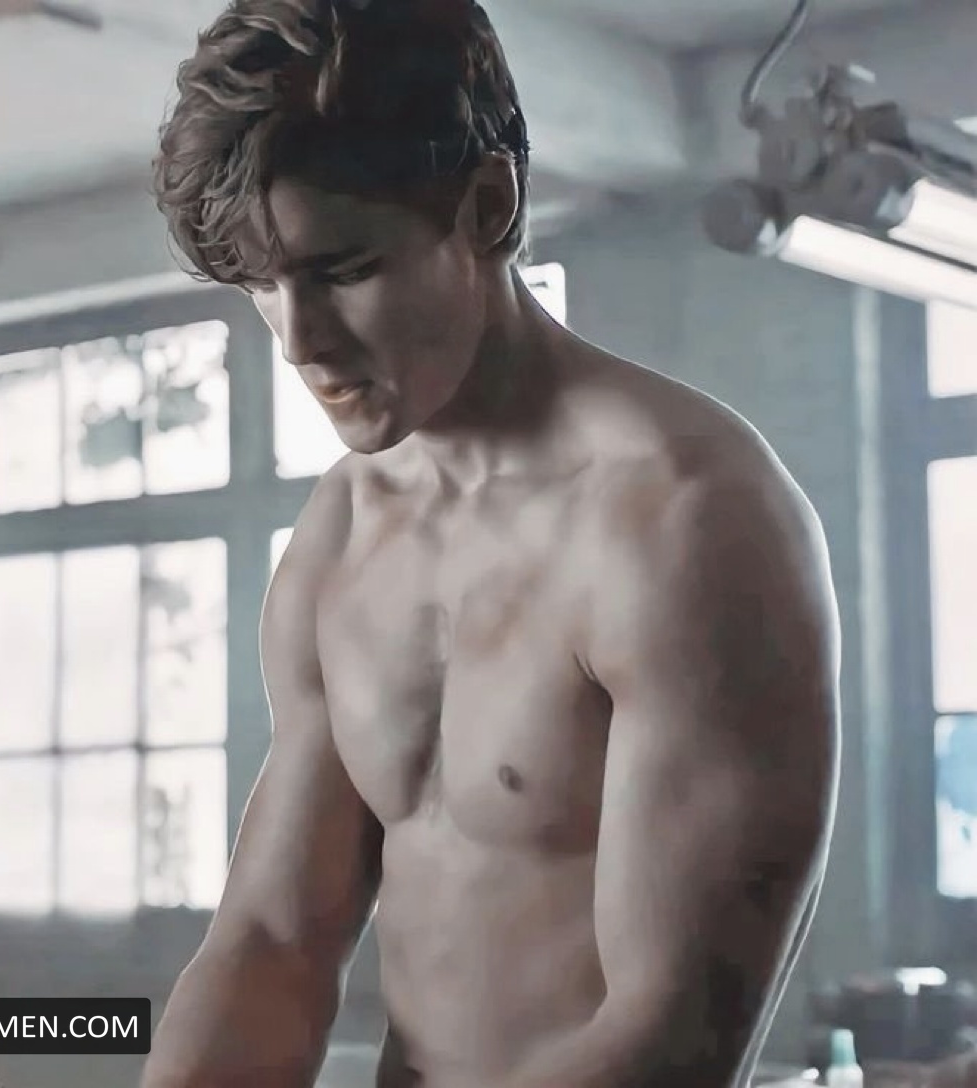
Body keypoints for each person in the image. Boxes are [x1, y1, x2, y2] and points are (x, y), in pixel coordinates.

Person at [141, 1, 842, 1085]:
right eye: (261, 287)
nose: (299, 342)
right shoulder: (344, 532)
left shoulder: (685, 518)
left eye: (343, 270)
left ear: (485, 205)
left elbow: (672, 1037)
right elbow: (274, 944)